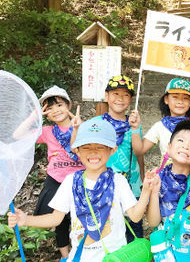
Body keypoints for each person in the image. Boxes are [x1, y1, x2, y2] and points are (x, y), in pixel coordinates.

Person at [8, 119, 158, 262]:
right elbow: (55, 218)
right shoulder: (71, 181)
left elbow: (136, 216)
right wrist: (25, 220)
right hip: (80, 257)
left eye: (100, 147)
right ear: (77, 151)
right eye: (86, 147)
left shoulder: (118, 181)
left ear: (112, 150)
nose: (93, 153)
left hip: (113, 257)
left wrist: (145, 191)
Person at [146, 119, 190, 261]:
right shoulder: (158, 180)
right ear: (169, 147)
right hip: (165, 256)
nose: (185, 146)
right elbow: (153, 222)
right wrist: (154, 193)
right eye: (180, 140)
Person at [92, 75, 144, 243]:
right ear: (106, 97)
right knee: (106, 228)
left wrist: (142, 181)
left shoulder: (134, 124)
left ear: (130, 100)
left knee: (134, 228)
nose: (120, 99)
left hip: (131, 184)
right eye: (115, 94)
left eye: (126, 95)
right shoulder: (96, 124)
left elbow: (139, 153)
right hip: (102, 184)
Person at [35, 85, 85, 260]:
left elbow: (76, 148)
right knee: (60, 222)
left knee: (81, 219)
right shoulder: (47, 131)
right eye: (50, 108)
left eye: (59, 105)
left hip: (79, 180)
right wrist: (36, 116)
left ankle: (81, 253)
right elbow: (20, 135)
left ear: (69, 105)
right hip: (56, 181)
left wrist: (78, 128)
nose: (55, 110)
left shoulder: (82, 126)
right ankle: (66, 256)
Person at [129, 78, 190, 164]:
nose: (180, 101)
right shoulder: (160, 127)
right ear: (166, 100)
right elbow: (139, 150)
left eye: (185, 98)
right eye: (175, 97)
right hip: (167, 179)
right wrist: (135, 128)